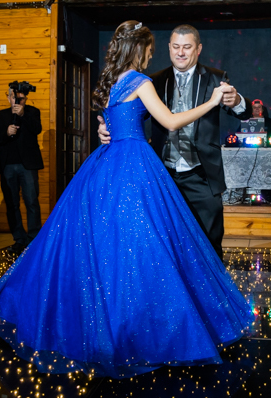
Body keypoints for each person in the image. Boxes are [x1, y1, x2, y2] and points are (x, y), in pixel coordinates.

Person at [0, 21, 253, 379]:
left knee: (114, 244)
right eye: (153, 49)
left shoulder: (114, 80)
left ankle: (115, 323)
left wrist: (105, 128)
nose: (155, 55)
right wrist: (210, 102)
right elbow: (169, 122)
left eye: (184, 46)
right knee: (147, 246)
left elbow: (113, 119)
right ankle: (159, 326)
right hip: (137, 163)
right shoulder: (143, 80)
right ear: (141, 49)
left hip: (112, 163)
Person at [98, 24, 252, 257]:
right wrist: (106, 127)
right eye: (176, 47)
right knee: (167, 249)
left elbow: (245, 112)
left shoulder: (215, 78)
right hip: (161, 175)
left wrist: (237, 100)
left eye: (187, 47)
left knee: (209, 245)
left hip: (201, 175)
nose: (181, 52)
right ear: (169, 48)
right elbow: (131, 115)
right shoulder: (153, 80)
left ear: (198, 49)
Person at [0, 86, 44, 253]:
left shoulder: (33, 112)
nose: (18, 101)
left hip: (28, 165)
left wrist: (23, 115)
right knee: (11, 203)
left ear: (26, 99)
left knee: (32, 202)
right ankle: (19, 239)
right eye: (15, 98)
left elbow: (37, 129)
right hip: (7, 165)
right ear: (8, 98)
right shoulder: (0, 115)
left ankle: (34, 239)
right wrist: (6, 133)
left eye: (21, 99)